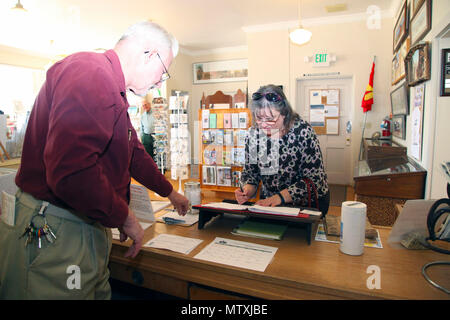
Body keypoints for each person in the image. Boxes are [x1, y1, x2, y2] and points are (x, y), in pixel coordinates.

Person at [0, 21, 189, 300]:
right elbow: (71, 171)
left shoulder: (113, 90)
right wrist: (124, 216)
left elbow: (133, 152)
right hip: (57, 226)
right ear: (149, 54)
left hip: (83, 222)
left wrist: (170, 192)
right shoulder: (90, 73)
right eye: (163, 73)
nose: (160, 83)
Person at [235, 84, 329, 214]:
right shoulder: (254, 134)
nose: (263, 125)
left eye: (270, 119)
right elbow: (251, 173)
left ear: (284, 114)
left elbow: (314, 181)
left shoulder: (302, 132)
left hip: (305, 205)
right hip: (269, 204)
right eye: (259, 118)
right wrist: (247, 191)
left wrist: (279, 198)